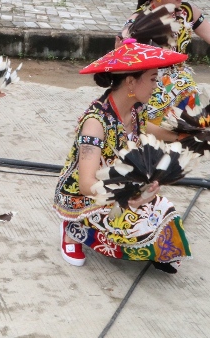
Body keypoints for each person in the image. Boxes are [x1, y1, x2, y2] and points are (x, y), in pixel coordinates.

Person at [54, 39, 191, 271]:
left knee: (166, 213)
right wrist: (127, 196)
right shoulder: (95, 123)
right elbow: (87, 184)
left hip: (123, 185)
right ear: (130, 82)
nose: (156, 86)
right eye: (152, 79)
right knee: (135, 226)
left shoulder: (135, 108)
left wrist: (179, 136)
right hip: (86, 196)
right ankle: (73, 229)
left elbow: (147, 128)